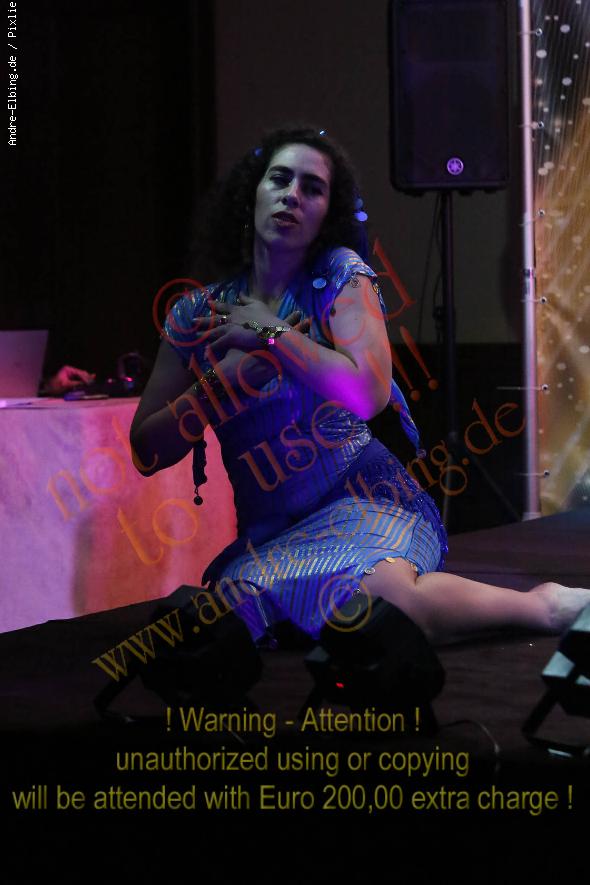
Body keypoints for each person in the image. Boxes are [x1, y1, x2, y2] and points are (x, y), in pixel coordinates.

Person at [130, 126, 590, 647]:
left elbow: (367, 394)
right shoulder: (195, 313)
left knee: (382, 609)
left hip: (363, 499)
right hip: (268, 531)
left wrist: (272, 334)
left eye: (312, 188)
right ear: (251, 193)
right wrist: (223, 385)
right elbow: (146, 450)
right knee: (226, 631)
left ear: (328, 213)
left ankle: (544, 606)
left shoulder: (339, 276)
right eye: (279, 179)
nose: (292, 195)